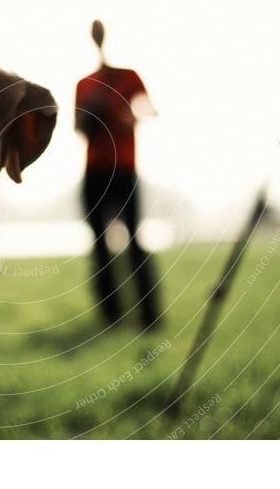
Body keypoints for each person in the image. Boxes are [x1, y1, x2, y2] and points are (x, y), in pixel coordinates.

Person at [75, 20, 161, 330]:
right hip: (95, 172)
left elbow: (149, 110)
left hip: (124, 170)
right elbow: (79, 128)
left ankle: (150, 316)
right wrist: (91, 118)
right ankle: (110, 318)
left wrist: (125, 114)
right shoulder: (85, 84)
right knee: (99, 245)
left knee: (135, 242)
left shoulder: (128, 77)